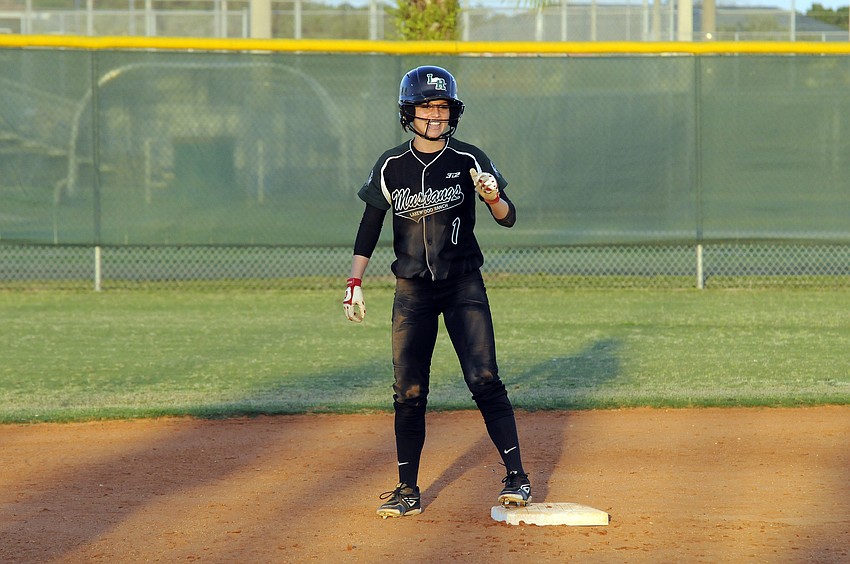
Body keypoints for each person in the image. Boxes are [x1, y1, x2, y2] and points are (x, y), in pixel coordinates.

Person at [342, 65, 531, 519]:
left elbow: (508, 217)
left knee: (484, 379)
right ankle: (407, 489)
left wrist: (491, 197)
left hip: (463, 284)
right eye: (426, 106)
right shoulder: (391, 165)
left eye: (442, 106)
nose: (435, 114)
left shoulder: (469, 159)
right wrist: (354, 282)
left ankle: (517, 477)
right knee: (408, 391)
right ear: (409, 112)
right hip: (412, 291)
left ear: (453, 112)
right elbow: (370, 226)